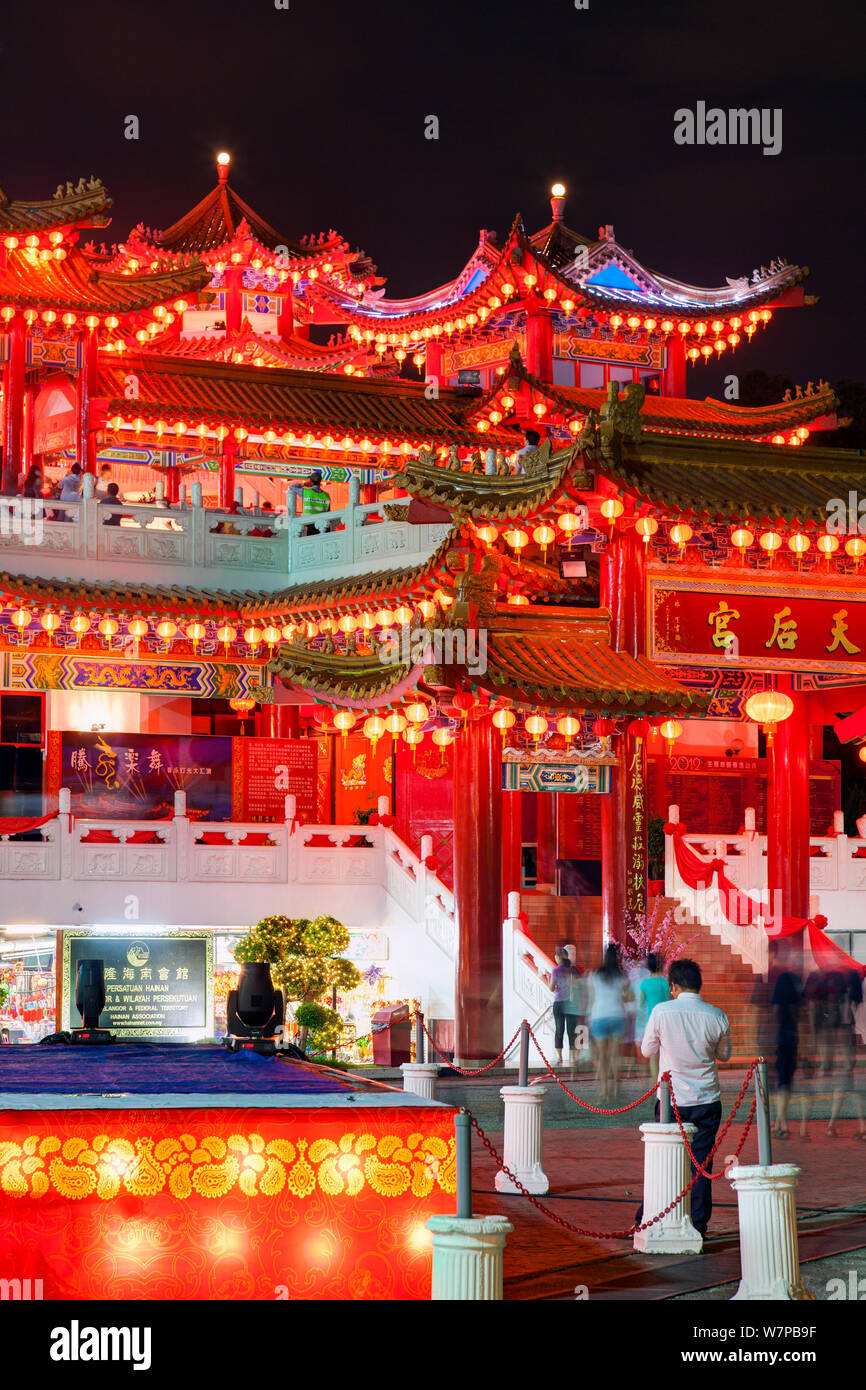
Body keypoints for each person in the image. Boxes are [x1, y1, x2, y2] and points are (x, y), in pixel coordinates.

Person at [640, 958, 731, 1237]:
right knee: (701, 1164)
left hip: (672, 1101)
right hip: (706, 1098)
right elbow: (724, 1055)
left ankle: (651, 1216)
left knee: (664, 1160)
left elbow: (647, 1050)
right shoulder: (717, 1015)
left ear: (674, 986)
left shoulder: (662, 1011)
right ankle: (698, 1223)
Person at [589, 944, 631, 1103]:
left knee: (602, 1057)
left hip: (599, 1015)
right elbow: (627, 997)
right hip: (617, 1015)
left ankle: (603, 1092)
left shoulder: (595, 975)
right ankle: (616, 1090)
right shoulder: (622, 976)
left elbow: (593, 997)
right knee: (615, 1056)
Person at [771, 948, 802, 1138]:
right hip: (788, 1036)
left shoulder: (786, 979)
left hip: (784, 1036)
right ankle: (781, 1123)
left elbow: (776, 1010)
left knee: (783, 1081)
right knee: (785, 1081)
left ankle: (779, 1121)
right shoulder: (791, 980)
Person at [637, 953, 670, 1080]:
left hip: (651, 1020)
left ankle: (654, 1084)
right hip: (666, 1021)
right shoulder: (666, 982)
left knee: (653, 1056)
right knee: (666, 1053)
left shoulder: (644, 983)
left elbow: (641, 1004)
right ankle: (665, 1082)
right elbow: (669, 1000)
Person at [550, 948, 584, 1066]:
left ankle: (559, 1058)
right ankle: (572, 1058)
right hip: (571, 1003)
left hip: (559, 1002)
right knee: (571, 1031)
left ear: (558, 957)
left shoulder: (555, 971)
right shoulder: (572, 970)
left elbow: (551, 988)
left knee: (559, 1030)